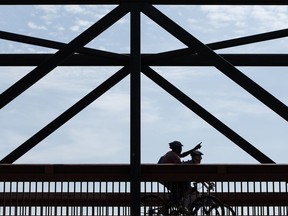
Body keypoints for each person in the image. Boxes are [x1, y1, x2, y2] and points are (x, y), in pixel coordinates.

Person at [158, 141, 202, 208]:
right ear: (177, 148)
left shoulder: (171, 153)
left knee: (182, 188)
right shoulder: (174, 156)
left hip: (166, 177)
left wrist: (194, 148)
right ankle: (176, 205)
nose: (181, 149)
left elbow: (183, 155)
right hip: (168, 179)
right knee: (184, 187)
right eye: (180, 148)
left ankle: (176, 203)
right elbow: (181, 168)